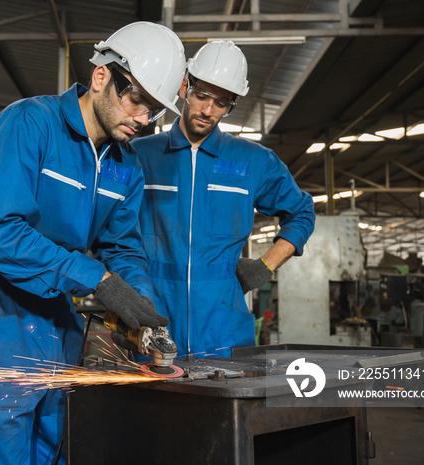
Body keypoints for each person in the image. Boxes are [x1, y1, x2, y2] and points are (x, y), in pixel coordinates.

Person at [0, 22, 186, 465]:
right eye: (136, 100)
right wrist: (93, 278)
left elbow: (125, 250)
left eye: (154, 111)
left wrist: (144, 309)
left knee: (59, 445)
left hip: (63, 322)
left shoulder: (126, 166)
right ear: (102, 76)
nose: (142, 119)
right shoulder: (29, 124)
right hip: (0, 317)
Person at [133, 40, 315, 359]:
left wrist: (264, 266)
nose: (207, 110)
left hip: (224, 332)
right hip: (153, 323)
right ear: (184, 87)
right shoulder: (141, 155)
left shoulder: (253, 161)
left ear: (231, 105)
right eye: (201, 95)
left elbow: (301, 212)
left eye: (220, 102)